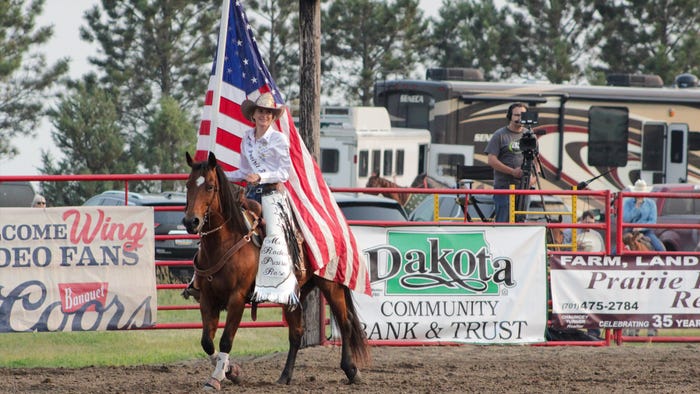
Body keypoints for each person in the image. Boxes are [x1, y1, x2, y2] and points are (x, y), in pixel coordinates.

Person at [185, 92, 299, 307]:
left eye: (268, 112)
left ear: (273, 117)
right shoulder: (247, 137)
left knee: (274, 233)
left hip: (273, 193)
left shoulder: (278, 139)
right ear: (253, 115)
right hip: (250, 194)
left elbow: (285, 172)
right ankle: (199, 279)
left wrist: (261, 176)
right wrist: (219, 176)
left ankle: (284, 284)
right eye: (260, 111)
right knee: (216, 226)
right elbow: (244, 171)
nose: (264, 115)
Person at [485, 102, 533, 222]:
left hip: (523, 188)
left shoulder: (530, 135)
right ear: (510, 116)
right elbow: (491, 160)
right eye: (517, 115)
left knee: (521, 222)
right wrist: (512, 172)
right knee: (504, 222)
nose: (520, 118)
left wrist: (533, 179)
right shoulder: (500, 135)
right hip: (504, 187)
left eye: (523, 115)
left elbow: (536, 160)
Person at [622, 179, 665, 252]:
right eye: (638, 193)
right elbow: (626, 219)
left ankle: (661, 262)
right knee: (615, 252)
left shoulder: (651, 203)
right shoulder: (628, 203)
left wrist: (641, 227)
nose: (640, 195)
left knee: (660, 249)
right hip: (629, 232)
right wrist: (636, 208)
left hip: (647, 232)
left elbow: (653, 221)